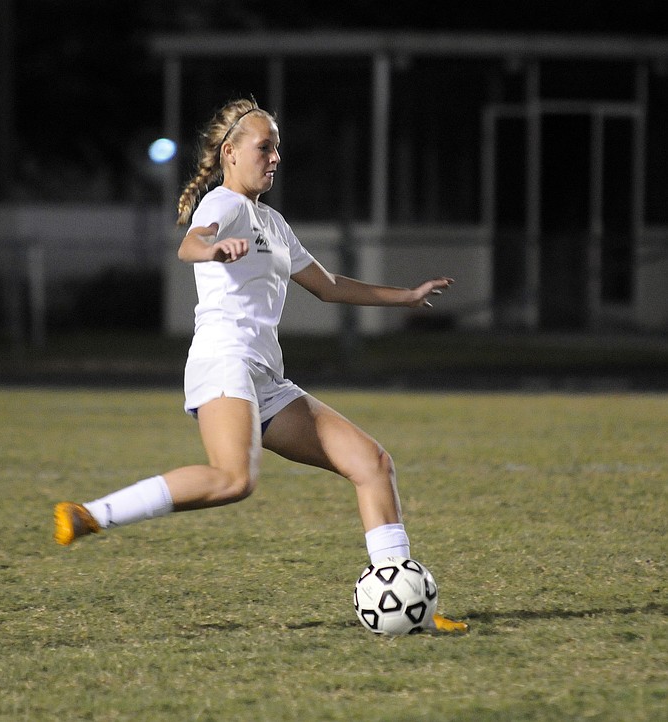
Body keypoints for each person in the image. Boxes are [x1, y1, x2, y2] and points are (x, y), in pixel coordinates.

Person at [54, 97, 467, 632]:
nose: (275, 157)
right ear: (230, 152)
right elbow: (190, 245)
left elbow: (331, 286)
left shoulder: (271, 221)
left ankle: (404, 596)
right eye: (264, 146)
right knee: (233, 479)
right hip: (224, 360)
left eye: (278, 148)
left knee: (372, 463)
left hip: (266, 377)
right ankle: (90, 515)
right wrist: (214, 250)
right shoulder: (222, 205)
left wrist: (406, 297)